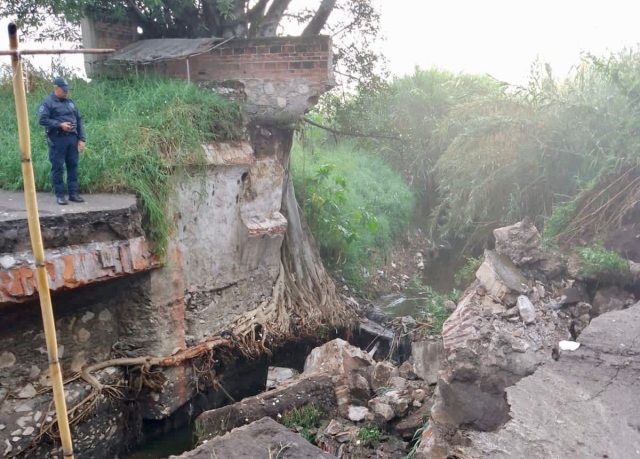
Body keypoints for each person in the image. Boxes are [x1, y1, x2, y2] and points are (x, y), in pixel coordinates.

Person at [38, 77, 86, 205]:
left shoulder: (70, 103)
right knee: (58, 167)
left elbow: (79, 120)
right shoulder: (48, 103)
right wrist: (60, 125)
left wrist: (82, 139)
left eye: (67, 90)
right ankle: (60, 195)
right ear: (56, 88)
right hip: (57, 139)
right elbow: (42, 120)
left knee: (73, 166)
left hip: (72, 138)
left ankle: (73, 194)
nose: (66, 93)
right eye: (64, 90)